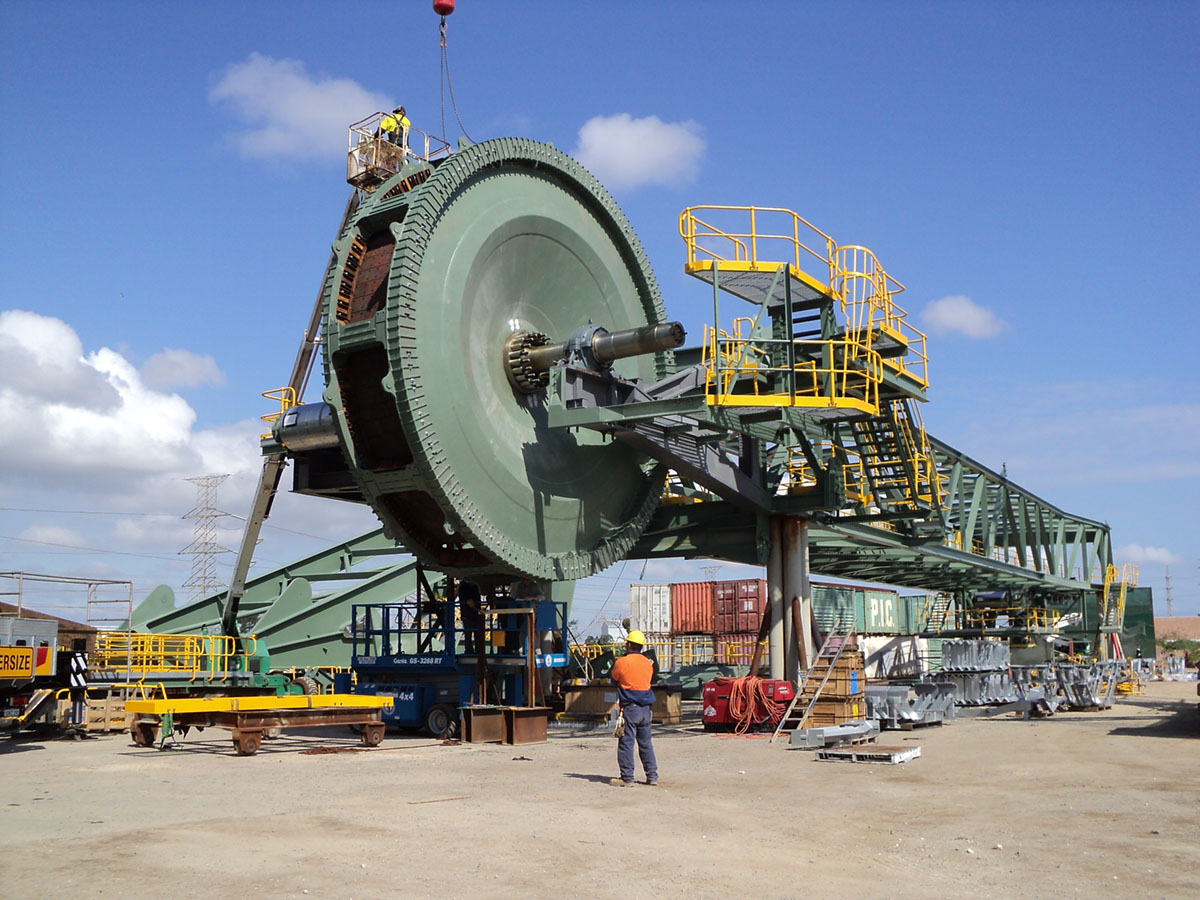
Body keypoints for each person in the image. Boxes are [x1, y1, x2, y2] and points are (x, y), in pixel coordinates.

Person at [608, 630, 659, 787]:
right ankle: (652, 776)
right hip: (646, 709)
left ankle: (627, 778)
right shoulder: (647, 663)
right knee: (646, 743)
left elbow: (613, 679)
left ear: (629, 645)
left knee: (626, 743)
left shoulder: (622, 662)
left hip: (630, 709)